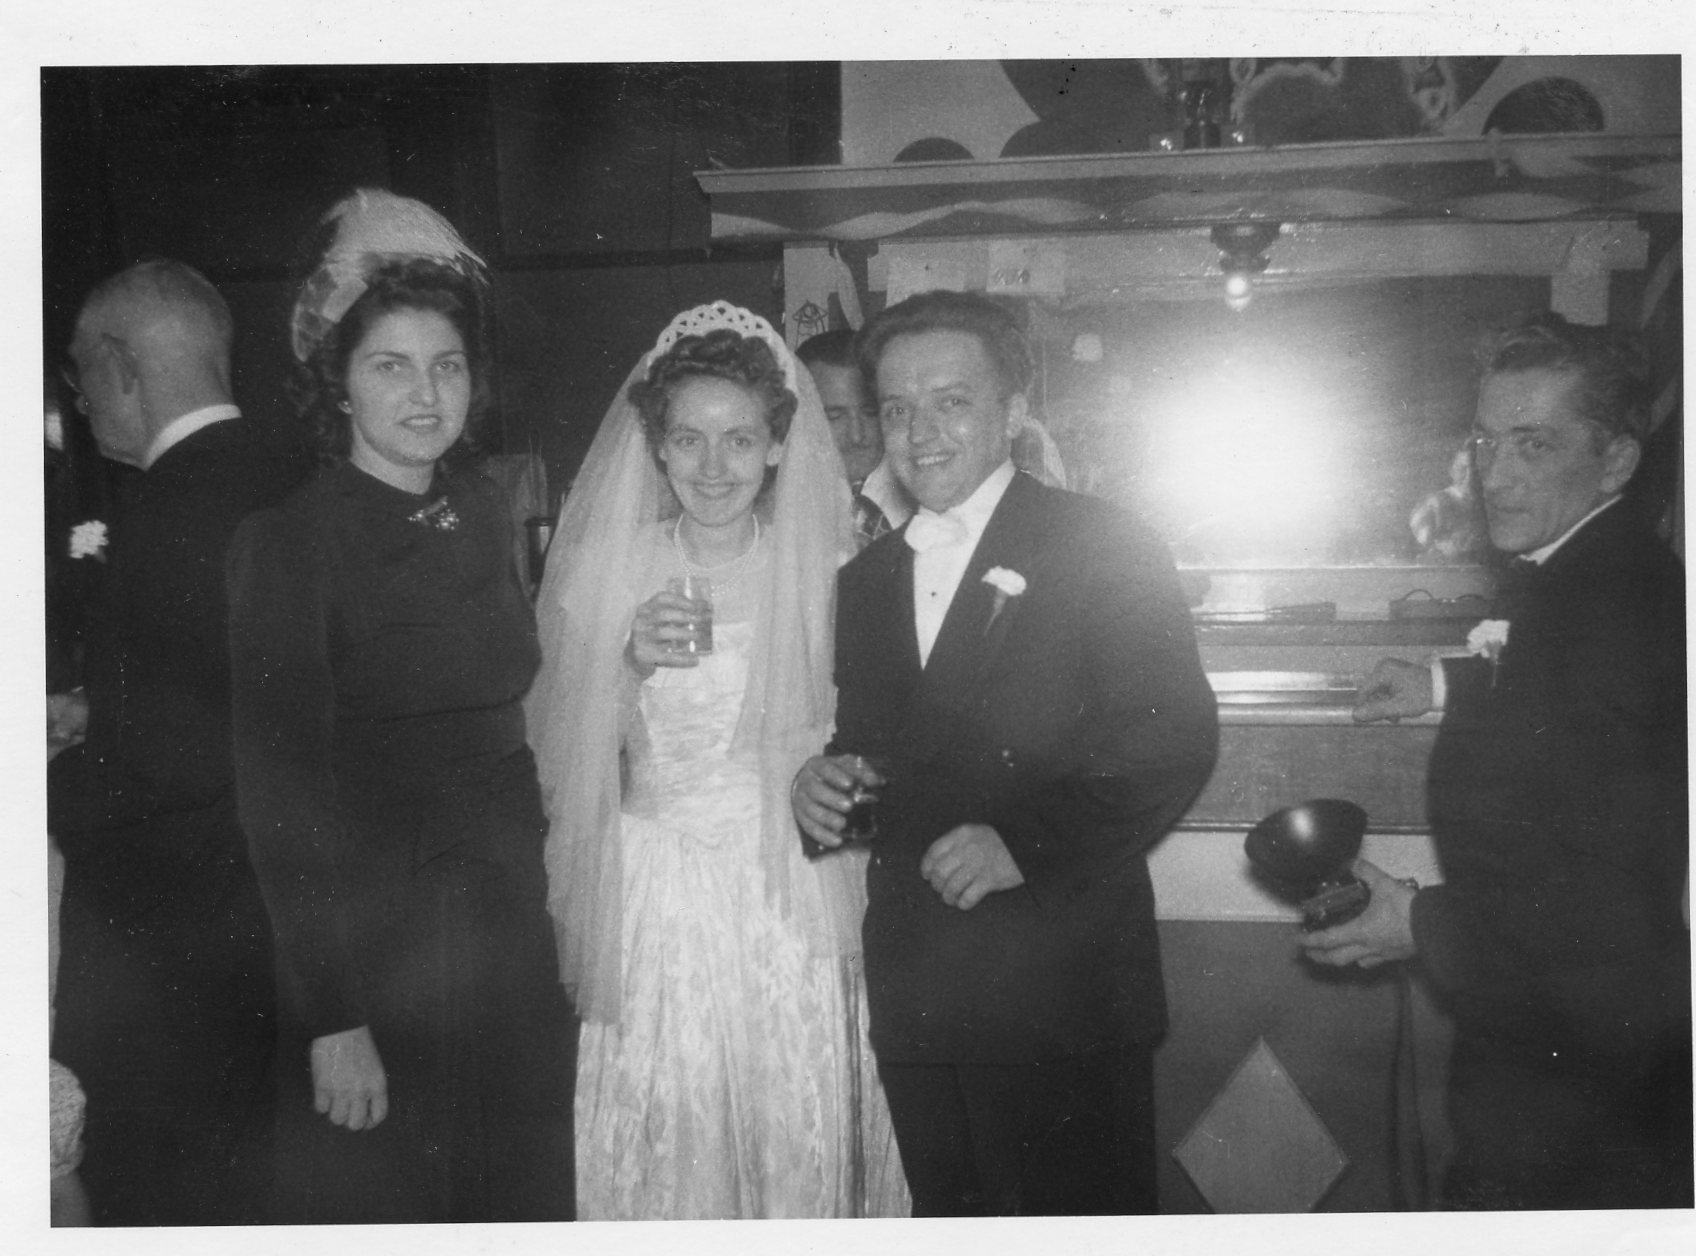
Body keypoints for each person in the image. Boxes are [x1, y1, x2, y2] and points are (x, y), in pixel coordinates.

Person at [792, 289, 1218, 1216]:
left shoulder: (1103, 541)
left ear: (1014, 412)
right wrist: (823, 786)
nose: (919, 433)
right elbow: (878, 756)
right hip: (920, 989)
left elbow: (1172, 739)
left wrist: (1023, 844)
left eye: (951, 402)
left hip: (1059, 989)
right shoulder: (867, 580)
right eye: (897, 409)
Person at [227, 190, 576, 1223]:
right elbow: (278, 802)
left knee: (520, 1198)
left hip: (505, 928)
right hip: (382, 948)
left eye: (447, 365)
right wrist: (332, 1019)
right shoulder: (289, 542)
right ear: (337, 386)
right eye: (390, 366)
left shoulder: (482, 506)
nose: (426, 393)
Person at [526, 302, 908, 1219]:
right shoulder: (608, 567)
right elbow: (554, 752)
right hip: (660, 891)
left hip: (796, 888)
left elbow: (879, 739)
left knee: (795, 1120)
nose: (712, 467)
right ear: (656, 448)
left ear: (777, 447)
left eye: (739, 440)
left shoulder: (834, 566)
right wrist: (625, 664)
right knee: (675, 1125)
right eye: (688, 440)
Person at [1303, 314, 1691, 1210]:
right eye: (1485, 442)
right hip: (1561, 1037)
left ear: (1617, 461)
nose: (1495, 476)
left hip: (1585, 1074)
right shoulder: (1589, 568)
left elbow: (1605, 896)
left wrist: (1422, 923)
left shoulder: (1613, 606)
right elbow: (1557, 701)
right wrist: (1444, 681)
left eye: (1533, 445)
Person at [47, 259, 299, 1224]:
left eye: (79, 377)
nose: (82, 403)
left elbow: (157, 777)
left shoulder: (157, 515)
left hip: (174, 950)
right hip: (280, 933)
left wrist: (46, 777)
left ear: (119, 368)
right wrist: (101, 712)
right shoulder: (295, 476)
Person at [798, 328, 912, 547]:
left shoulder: (922, 490)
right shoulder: (776, 505)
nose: (856, 436)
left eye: (871, 412)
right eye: (834, 417)